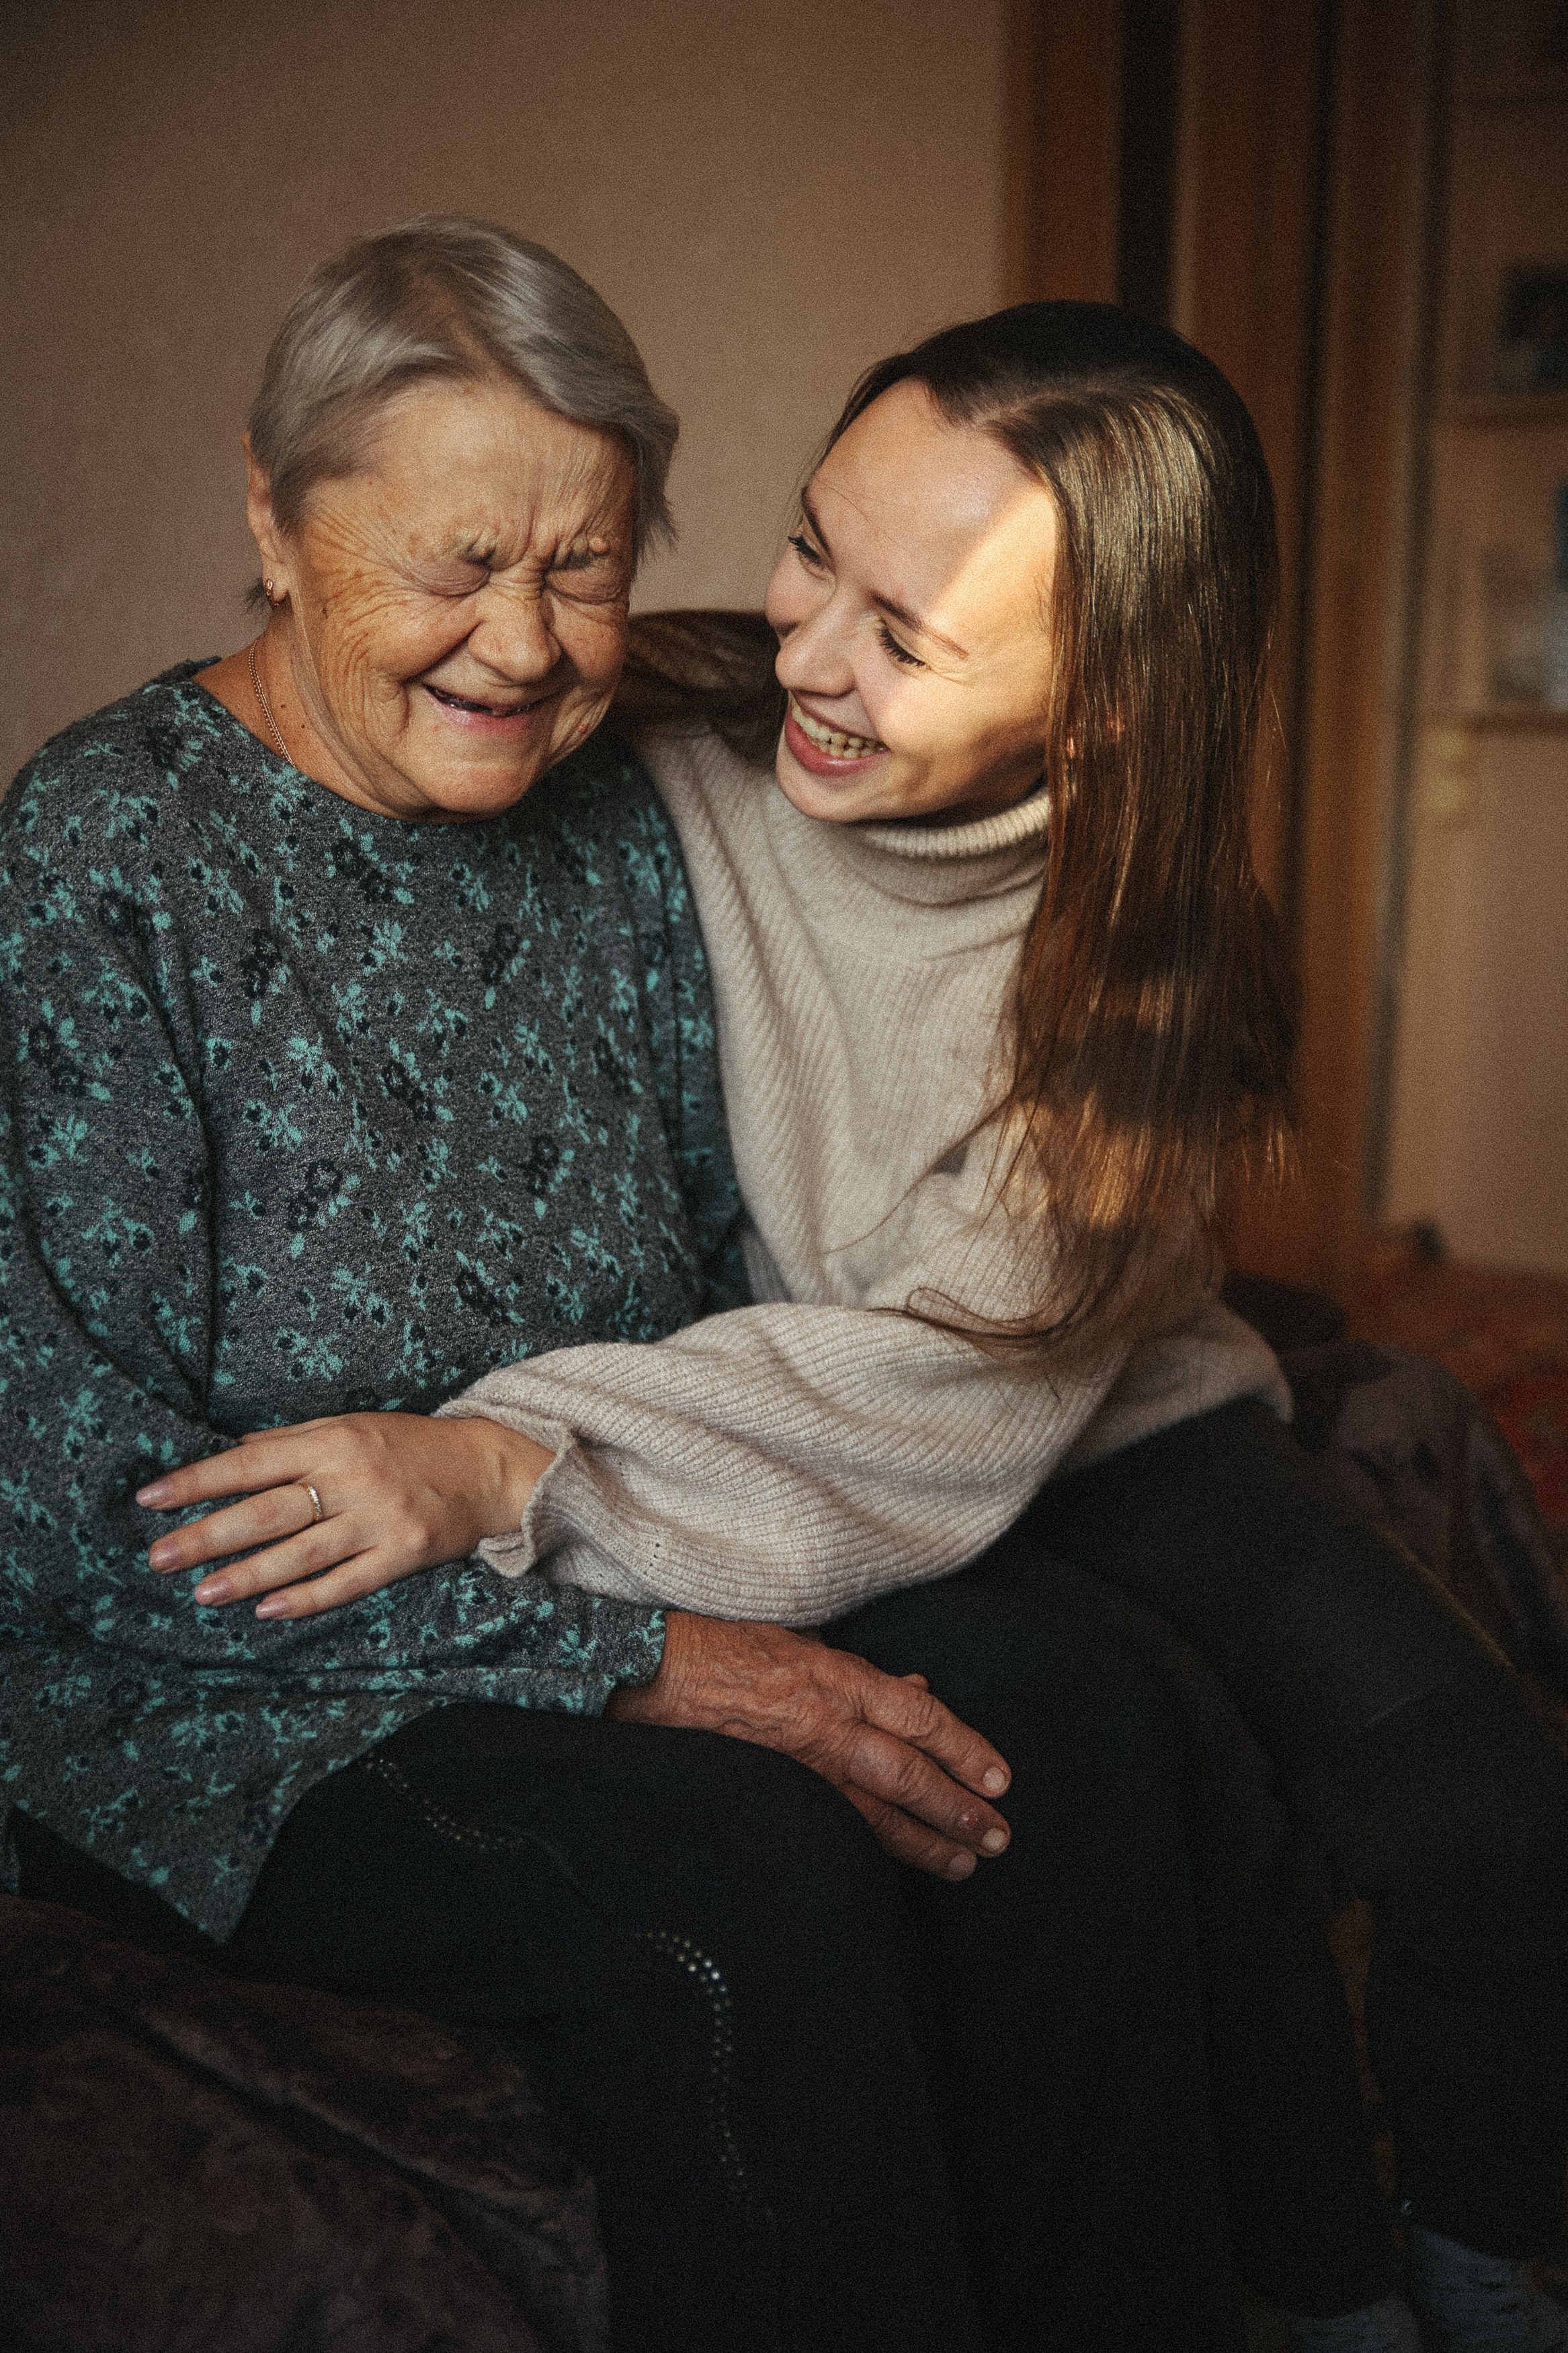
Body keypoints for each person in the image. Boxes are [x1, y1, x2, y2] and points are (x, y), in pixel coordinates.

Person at [153, 298, 1568, 2353]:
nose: (812, 650)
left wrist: (502, 1459)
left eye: (910, 637)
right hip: (808, 1388)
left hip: (1088, 1408)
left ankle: (1476, 2258)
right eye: (817, 548)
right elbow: (350, 710)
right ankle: (1331, 2289)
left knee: (1482, 1802)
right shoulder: (671, 724)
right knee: (1152, 1761)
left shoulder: (1146, 985)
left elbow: (950, 1386)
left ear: (1097, 715)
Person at [1, 219, 1247, 2353]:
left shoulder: (605, 818)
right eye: (456, 565)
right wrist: (645, 1659)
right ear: (274, 522)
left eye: (582, 568)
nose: (523, 644)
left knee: (1085, 1742)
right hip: (240, 1695)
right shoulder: (104, 860)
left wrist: (671, 1567)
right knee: (750, 1893)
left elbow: (709, 1255)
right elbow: (77, 1517)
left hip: (587, 1532)